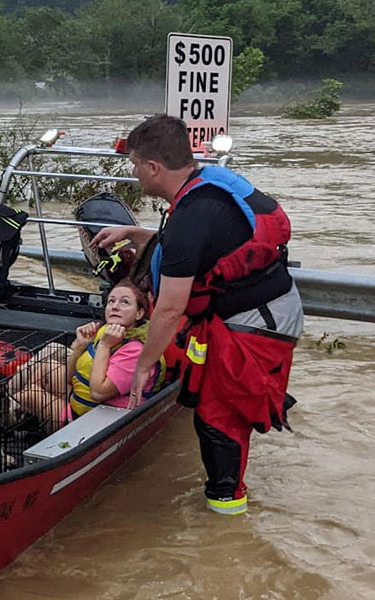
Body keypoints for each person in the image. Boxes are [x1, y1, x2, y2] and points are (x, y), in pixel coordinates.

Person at [92, 115, 304, 516]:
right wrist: (139, 236)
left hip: (257, 319)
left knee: (220, 417)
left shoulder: (192, 214)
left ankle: (226, 514)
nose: (134, 173)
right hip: (251, 307)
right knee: (212, 402)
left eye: (135, 164)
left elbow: (170, 309)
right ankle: (225, 500)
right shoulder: (201, 189)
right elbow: (207, 243)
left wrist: (143, 364)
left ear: (154, 168)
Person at [9, 280, 165, 428]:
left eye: (124, 302)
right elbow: (71, 377)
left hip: (99, 418)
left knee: (28, 395)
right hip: (84, 402)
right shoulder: (106, 330)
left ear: (139, 313)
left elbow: (98, 393)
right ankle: (35, 420)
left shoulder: (135, 351)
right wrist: (79, 347)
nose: (115, 307)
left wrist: (104, 345)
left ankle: (21, 424)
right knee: (46, 369)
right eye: (111, 301)